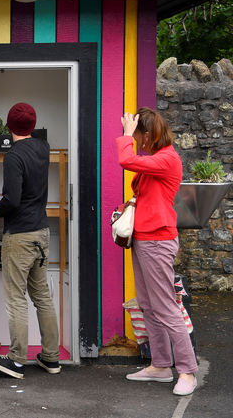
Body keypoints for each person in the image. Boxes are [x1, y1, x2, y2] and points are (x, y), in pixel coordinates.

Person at [117, 108, 198, 396]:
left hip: (158, 240)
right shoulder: (156, 159)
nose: (135, 140)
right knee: (149, 304)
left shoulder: (167, 159)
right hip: (144, 238)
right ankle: (162, 365)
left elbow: (126, 160)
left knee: (165, 306)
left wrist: (126, 134)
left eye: (138, 135)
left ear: (148, 135)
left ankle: (187, 370)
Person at [0, 102, 61, 379]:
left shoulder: (13, 156)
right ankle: (51, 358)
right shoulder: (43, 147)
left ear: (8, 126)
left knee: (16, 298)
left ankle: (16, 360)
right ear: (33, 124)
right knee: (42, 297)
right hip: (41, 233)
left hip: (19, 235)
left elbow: (12, 201)